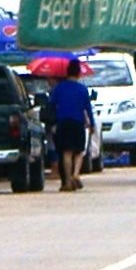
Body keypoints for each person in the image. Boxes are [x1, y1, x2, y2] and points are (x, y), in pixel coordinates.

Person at [49, 63, 93, 192]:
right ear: (79, 73)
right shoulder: (82, 89)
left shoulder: (59, 88)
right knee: (79, 151)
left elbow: (52, 105)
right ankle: (76, 173)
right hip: (78, 122)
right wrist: (92, 124)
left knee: (66, 152)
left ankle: (67, 181)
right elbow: (88, 109)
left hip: (63, 123)